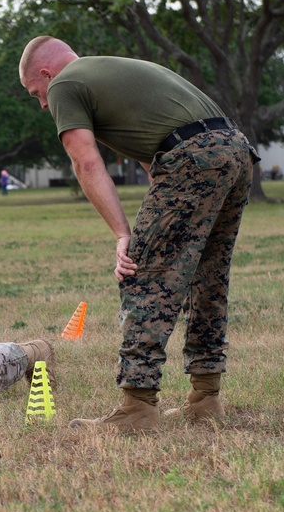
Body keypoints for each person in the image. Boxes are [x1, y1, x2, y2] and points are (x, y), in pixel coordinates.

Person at [18, 36, 258, 431]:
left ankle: (137, 408)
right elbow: (156, 160)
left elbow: (86, 163)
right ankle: (205, 399)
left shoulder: (64, 84)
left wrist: (122, 235)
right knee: (207, 279)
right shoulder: (113, 69)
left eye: (35, 93)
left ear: (46, 73)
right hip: (235, 150)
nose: (43, 103)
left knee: (142, 276)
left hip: (193, 157)